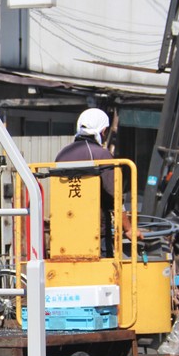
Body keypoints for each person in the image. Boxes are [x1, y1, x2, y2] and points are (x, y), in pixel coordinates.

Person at [55, 108, 138, 256]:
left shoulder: (62, 154)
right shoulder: (100, 154)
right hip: (95, 232)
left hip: (64, 230)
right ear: (103, 131)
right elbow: (115, 196)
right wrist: (128, 228)